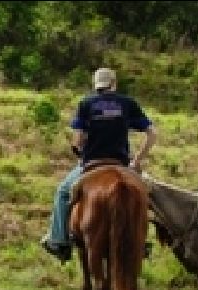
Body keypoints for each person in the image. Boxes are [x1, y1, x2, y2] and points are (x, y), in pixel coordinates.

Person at [40, 67, 158, 263]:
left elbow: (78, 140)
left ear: (96, 85)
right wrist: (137, 160)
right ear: (114, 84)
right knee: (144, 195)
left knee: (62, 192)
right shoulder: (127, 103)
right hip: (121, 164)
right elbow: (152, 134)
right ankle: (141, 240)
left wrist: (79, 149)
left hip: (92, 163)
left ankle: (59, 240)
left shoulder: (86, 104)